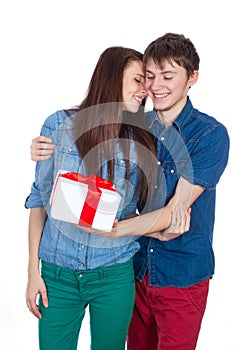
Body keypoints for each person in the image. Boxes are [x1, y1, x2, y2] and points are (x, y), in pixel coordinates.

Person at [25, 46, 190, 350]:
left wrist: (166, 227)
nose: (146, 89)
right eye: (139, 79)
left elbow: (139, 213)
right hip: (57, 276)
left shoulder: (142, 139)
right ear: (112, 77)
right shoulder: (57, 125)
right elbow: (39, 200)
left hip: (113, 274)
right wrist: (32, 272)